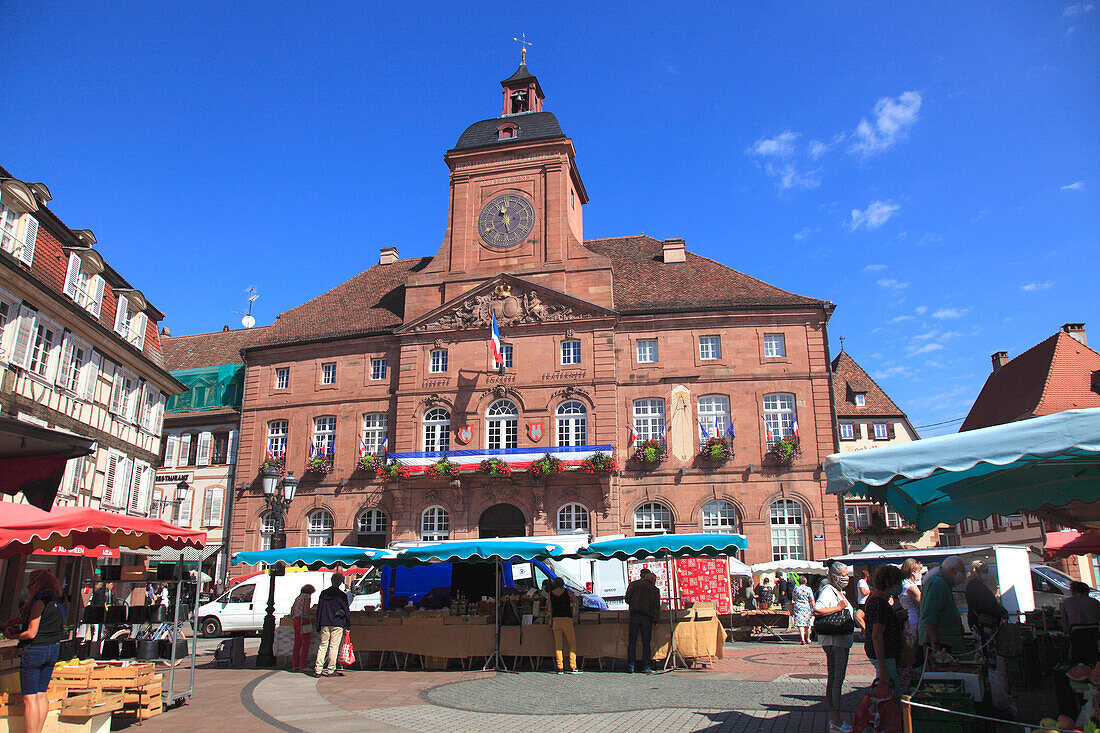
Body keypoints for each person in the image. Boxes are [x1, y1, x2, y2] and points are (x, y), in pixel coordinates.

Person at [13, 570, 65, 733]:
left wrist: (13, 635)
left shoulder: (39, 602)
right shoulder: (58, 602)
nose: (29, 590)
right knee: (42, 695)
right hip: (53, 649)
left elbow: (31, 632)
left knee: (30, 697)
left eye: (29, 586)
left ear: (37, 585)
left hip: (35, 650)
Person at [815, 562, 854, 733]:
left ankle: (836, 719)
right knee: (836, 680)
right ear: (833, 576)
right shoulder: (828, 591)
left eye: (847, 575)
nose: (845, 579)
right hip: (834, 641)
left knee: (836, 679)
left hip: (840, 640)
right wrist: (838, 608)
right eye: (842, 576)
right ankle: (836, 720)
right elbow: (817, 610)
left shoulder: (837, 591)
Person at [864, 565, 906, 692]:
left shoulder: (876, 600)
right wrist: (882, 668)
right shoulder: (879, 603)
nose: (900, 586)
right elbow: (877, 635)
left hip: (886, 653)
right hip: (884, 654)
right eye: (898, 583)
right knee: (890, 690)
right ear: (890, 583)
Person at [919, 556, 966, 653]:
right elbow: (929, 617)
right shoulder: (938, 584)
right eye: (962, 572)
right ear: (953, 570)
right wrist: (935, 642)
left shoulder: (942, 583)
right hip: (942, 643)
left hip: (945, 641)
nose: (963, 576)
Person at [314, 573, 351, 677]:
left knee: (323, 645)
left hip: (324, 621)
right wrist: (348, 624)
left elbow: (319, 609)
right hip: (337, 622)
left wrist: (318, 623)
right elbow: (346, 610)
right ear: (340, 583)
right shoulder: (341, 595)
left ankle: (318, 669)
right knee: (334, 646)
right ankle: (331, 669)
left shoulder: (324, 594)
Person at [624, 569, 660, 673]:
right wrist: (656, 621)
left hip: (634, 615)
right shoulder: (654, 589)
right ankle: (646, 667)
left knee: (632, 642)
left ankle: (630, 666)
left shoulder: (634, 585)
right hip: (646, 617)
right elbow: (656, 607)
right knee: (646, 643)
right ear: (652, 580)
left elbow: (627, 599)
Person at [546, 578, 581, 674]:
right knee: (572, 644)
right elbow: (575, 599)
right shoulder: (567, 591)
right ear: (562, 584)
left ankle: (560, 668)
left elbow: (549, 609)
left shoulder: (550, 594)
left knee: (558, 646)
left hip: (556, 621)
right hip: (567, 620)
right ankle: (573, 666)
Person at [290, 584, 315, 672]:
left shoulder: (298, 597)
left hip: (296, 620)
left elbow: (292, 609)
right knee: (305, 644)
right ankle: (303, 665)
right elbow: (306, 610)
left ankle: (295, 664)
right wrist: (312, 612)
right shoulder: (307, 597)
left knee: (297, 644)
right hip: (303, 621)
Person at [899, 559, 922, 642]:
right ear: (913, 571)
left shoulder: (903, 585)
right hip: (915, 618)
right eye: (919, 571)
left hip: (908, 617)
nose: (920, 574)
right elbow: (921, 605)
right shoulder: (911, 587)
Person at [792, 575, 815, 645]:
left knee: (800, 624)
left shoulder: (796, 588)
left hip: (798, 607)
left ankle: (802, 639)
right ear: (806, 582)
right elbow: (812, 599)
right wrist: (813, 607)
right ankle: (808, 638)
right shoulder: (808, 589)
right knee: (808, 623)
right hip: (806, 607)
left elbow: (793, 598)